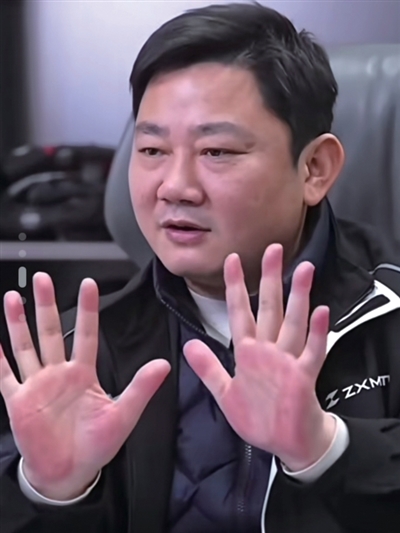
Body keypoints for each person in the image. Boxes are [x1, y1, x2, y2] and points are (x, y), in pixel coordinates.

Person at [0, 3, 399, 532]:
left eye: (216, 151)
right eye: (152, 149)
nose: (175, 187)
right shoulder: (78, 352)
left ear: (314, 169)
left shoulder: (386, 312)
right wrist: (53, 493)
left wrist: (327, 450)